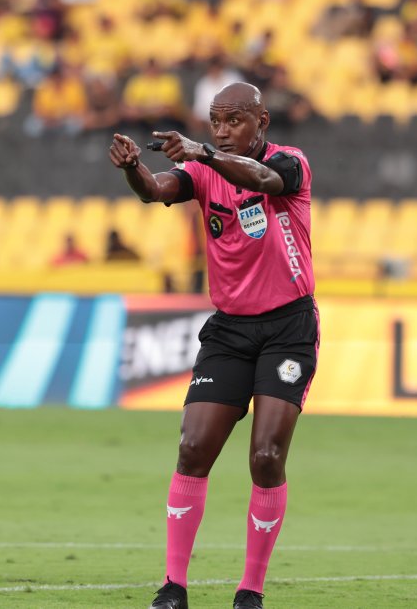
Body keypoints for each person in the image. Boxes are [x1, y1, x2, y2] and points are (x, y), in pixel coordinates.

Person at [109, 82, 317, 609]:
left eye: (233, 120)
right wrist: (134, 167)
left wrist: (204, 150)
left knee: (267, 456)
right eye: (215, 121)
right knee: (192, 448)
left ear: (261, 121)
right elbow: (155, 191)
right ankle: (174, 586)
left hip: (288, 328)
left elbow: (267, 181)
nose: (222, 130)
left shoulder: (291, 162)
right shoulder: (202, 173)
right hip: (229, 329)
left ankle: (250, 592)